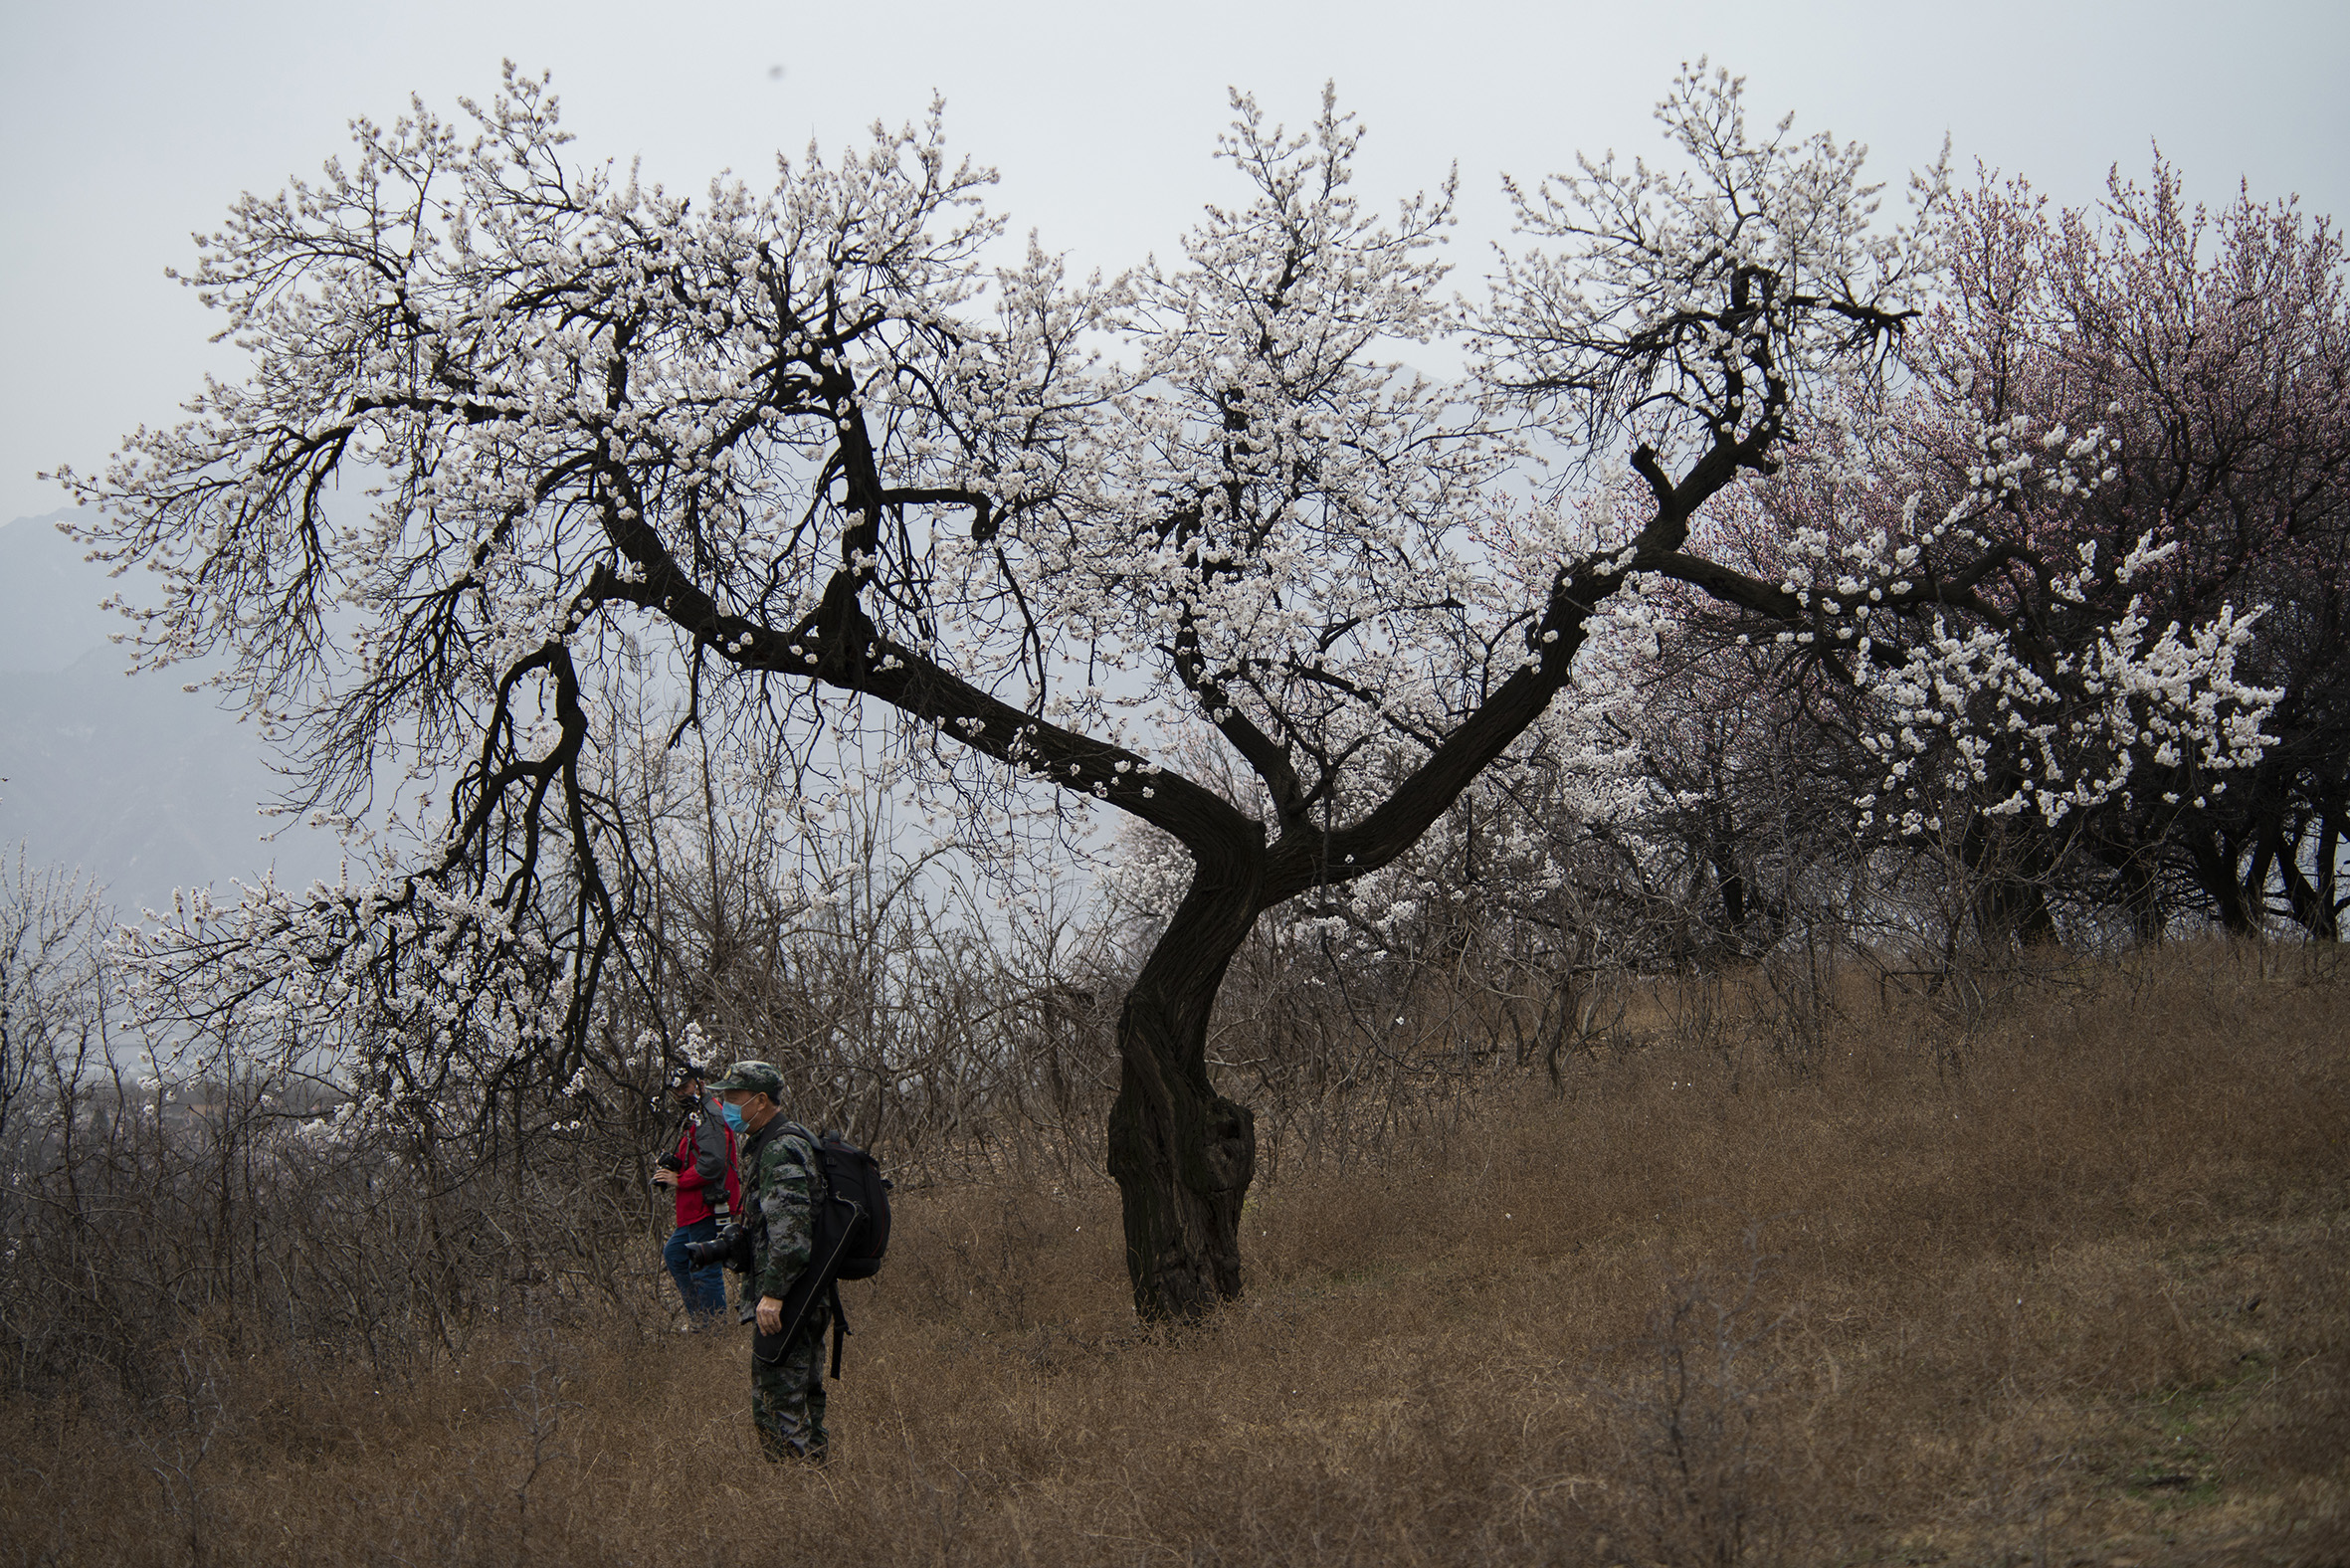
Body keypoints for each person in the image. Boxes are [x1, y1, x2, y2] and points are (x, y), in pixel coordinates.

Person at [707, 1060, 830, 1463]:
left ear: (761, 1101)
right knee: (804, 1400)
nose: (726, 1104)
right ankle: (819, 1487)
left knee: (778, 1406)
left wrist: (773, 1294)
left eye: (733, 1097)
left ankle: (797, 1495)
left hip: (790, 1298)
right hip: (807, 1292)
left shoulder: (779, 1148)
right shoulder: (783, 1141)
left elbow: (791, 1235)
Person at [654, 1064, 741, 1329]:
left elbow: (713, 1162)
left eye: (685, 1087)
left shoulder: (709, 1114)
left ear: (699, 1084)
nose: (680, 1093)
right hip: (694, 1206)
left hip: (709, 1203)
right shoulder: (695, 1116)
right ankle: (701, 1322)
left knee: (706, 1267)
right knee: (676, 1255)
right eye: (676, 1089)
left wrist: (679, 1179)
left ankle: (714, 1332)